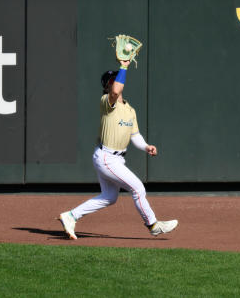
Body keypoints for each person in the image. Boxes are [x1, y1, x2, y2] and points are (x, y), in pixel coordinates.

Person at [58, 60, 178, 239]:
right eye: (112, 80)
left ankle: (71, 216)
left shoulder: (130, 110)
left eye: (117, 79)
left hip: (116, 158)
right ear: (107, 86)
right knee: (138, 188)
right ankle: (153, 225)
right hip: (106, 156)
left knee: (109, 196)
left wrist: (146, 146)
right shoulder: (107, 102)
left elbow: (134, 135)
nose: (115, 82)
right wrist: (124, 67)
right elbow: (115, 92)